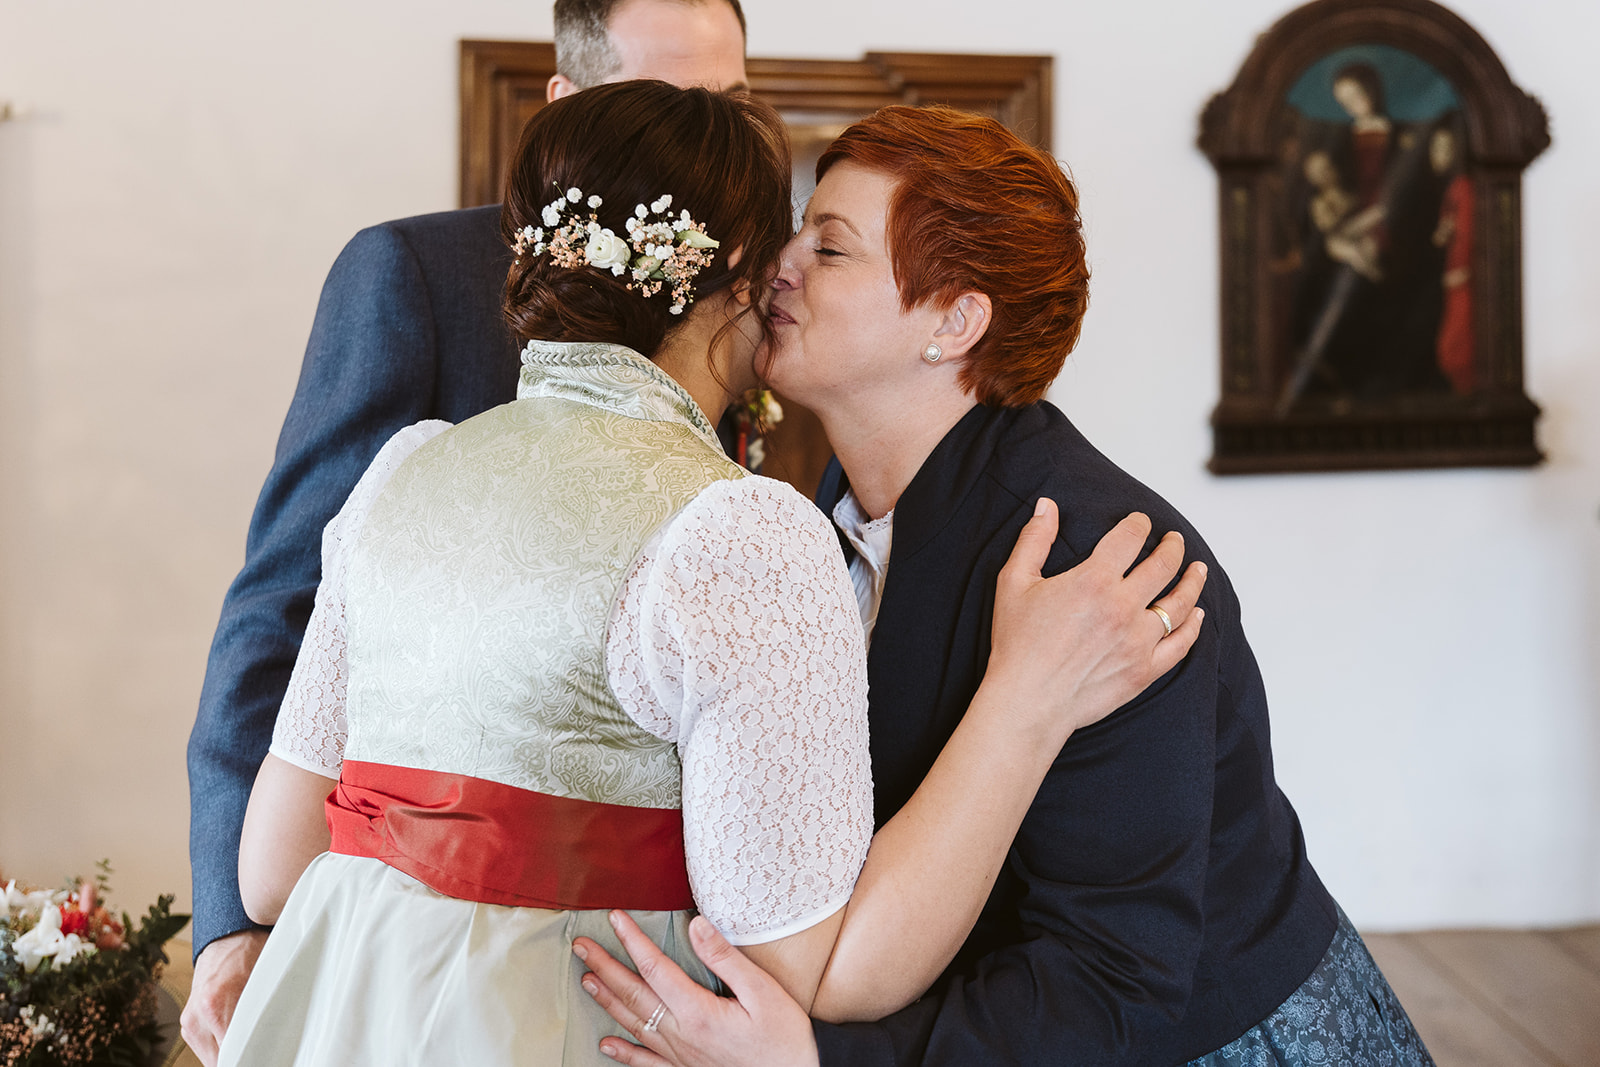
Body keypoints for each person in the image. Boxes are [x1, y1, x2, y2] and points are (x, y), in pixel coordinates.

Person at [212, 81, 1205, 1066]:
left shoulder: (406, 468)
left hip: (352, 1007)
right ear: (730, 268)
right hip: (575, 1024)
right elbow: (820, 969)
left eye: (826, 245)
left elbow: (271, 868)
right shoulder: (736, 527)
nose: (789, 272)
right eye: (791, 238)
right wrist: (1022, 703)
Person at [577, 105, 1435, 1066]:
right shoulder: (827, 507)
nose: (780, 264)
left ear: (955, 320)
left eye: (831, 247)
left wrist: (814, 1058)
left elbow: (1109, 976)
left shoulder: (1100, 563)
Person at [182, 2, 749, 1060]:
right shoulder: (417, 275)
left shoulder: (758, 303)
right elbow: (285, 599)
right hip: (428, 929)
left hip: (662, 948)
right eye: (660, 103)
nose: (698, 146)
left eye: (724, 107)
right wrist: (231, 921)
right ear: (566, 109)